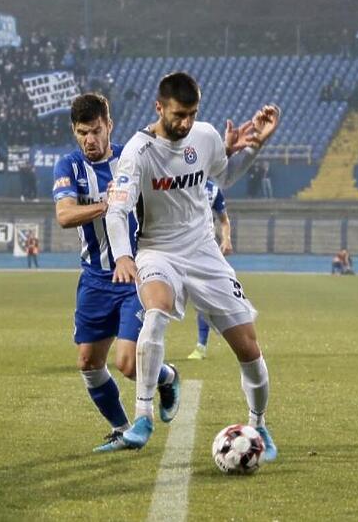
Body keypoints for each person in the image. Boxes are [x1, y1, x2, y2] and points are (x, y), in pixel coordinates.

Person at [105, 72, 280, 460]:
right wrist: (122, 255)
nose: (185, 123)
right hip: (157, 251)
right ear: (159, 108)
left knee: (248, 346)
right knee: (155, 312)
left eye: (192, 114)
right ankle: (143, 417)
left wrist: (255, 148)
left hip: (203, 251)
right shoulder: (137, 151)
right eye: (179, 114)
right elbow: (116, 210)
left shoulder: (205, 136)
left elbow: (226, 176)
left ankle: (260, 425)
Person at [53, 93, 180, 453]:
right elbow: (64, 215)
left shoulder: (132, 158)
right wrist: (106, 205)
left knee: (126, 363)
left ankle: (167, 376)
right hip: (94, 279)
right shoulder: (70, 166)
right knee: (89, 363)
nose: (89, 140)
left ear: (109, 125)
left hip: (135, 274)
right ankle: (122, 428)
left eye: (95, 131)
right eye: (82, 133)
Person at [188, 179, 233, 360]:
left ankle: (201, 345)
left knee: (203, 299)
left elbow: (224, 220)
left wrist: (226, 239)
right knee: (162, 299)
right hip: (173, 249)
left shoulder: (212, 189)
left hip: (202, 252)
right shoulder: (178, 180)